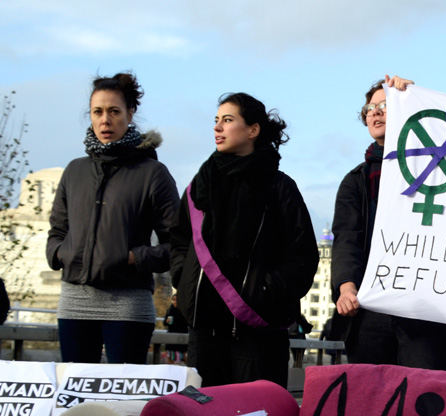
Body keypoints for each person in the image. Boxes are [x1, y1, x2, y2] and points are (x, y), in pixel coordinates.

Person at [171, 92, 319, 387]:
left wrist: (266, 289)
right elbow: (179, 243)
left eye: (228, 120)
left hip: (257, 331)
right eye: (216, 121)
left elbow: (303, 255)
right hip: (205, 328)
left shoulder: (279, 187)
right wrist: (184, 280)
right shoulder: (198, 187)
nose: (217, 128)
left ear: (253, 130)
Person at [47, 72, 180, 364]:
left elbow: (179, 244)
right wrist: (60, 253)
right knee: (76, 400)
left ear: (130, 115)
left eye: (114, 111)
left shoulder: (152, 173)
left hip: (128, 304)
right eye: (98, 112)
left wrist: (133, 257)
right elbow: (57, 230)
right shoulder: (75, 170)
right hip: (74, 303)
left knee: (122, 403)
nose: (105, 120)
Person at [331, 75, 446, 370]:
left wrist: (414, 97)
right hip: (370, 310)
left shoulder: (439, 169)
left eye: (385, 105)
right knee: (376, 404)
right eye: (370, 108)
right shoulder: (356, 181)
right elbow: (347, 238)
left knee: (429, 401)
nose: (375, 112)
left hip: (425, 311)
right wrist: (346, 288)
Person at [161, 293, 188, 364]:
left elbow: (186, 323)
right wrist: (167, 321)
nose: (175, 302)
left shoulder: (184, 310)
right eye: (173, 300)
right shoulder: (170, 310)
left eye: (176, 300)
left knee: (184, 357)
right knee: (169, 357)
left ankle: (191, 371)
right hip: (171, 337)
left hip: (181, 337)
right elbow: (164, 323)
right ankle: (171, 373)